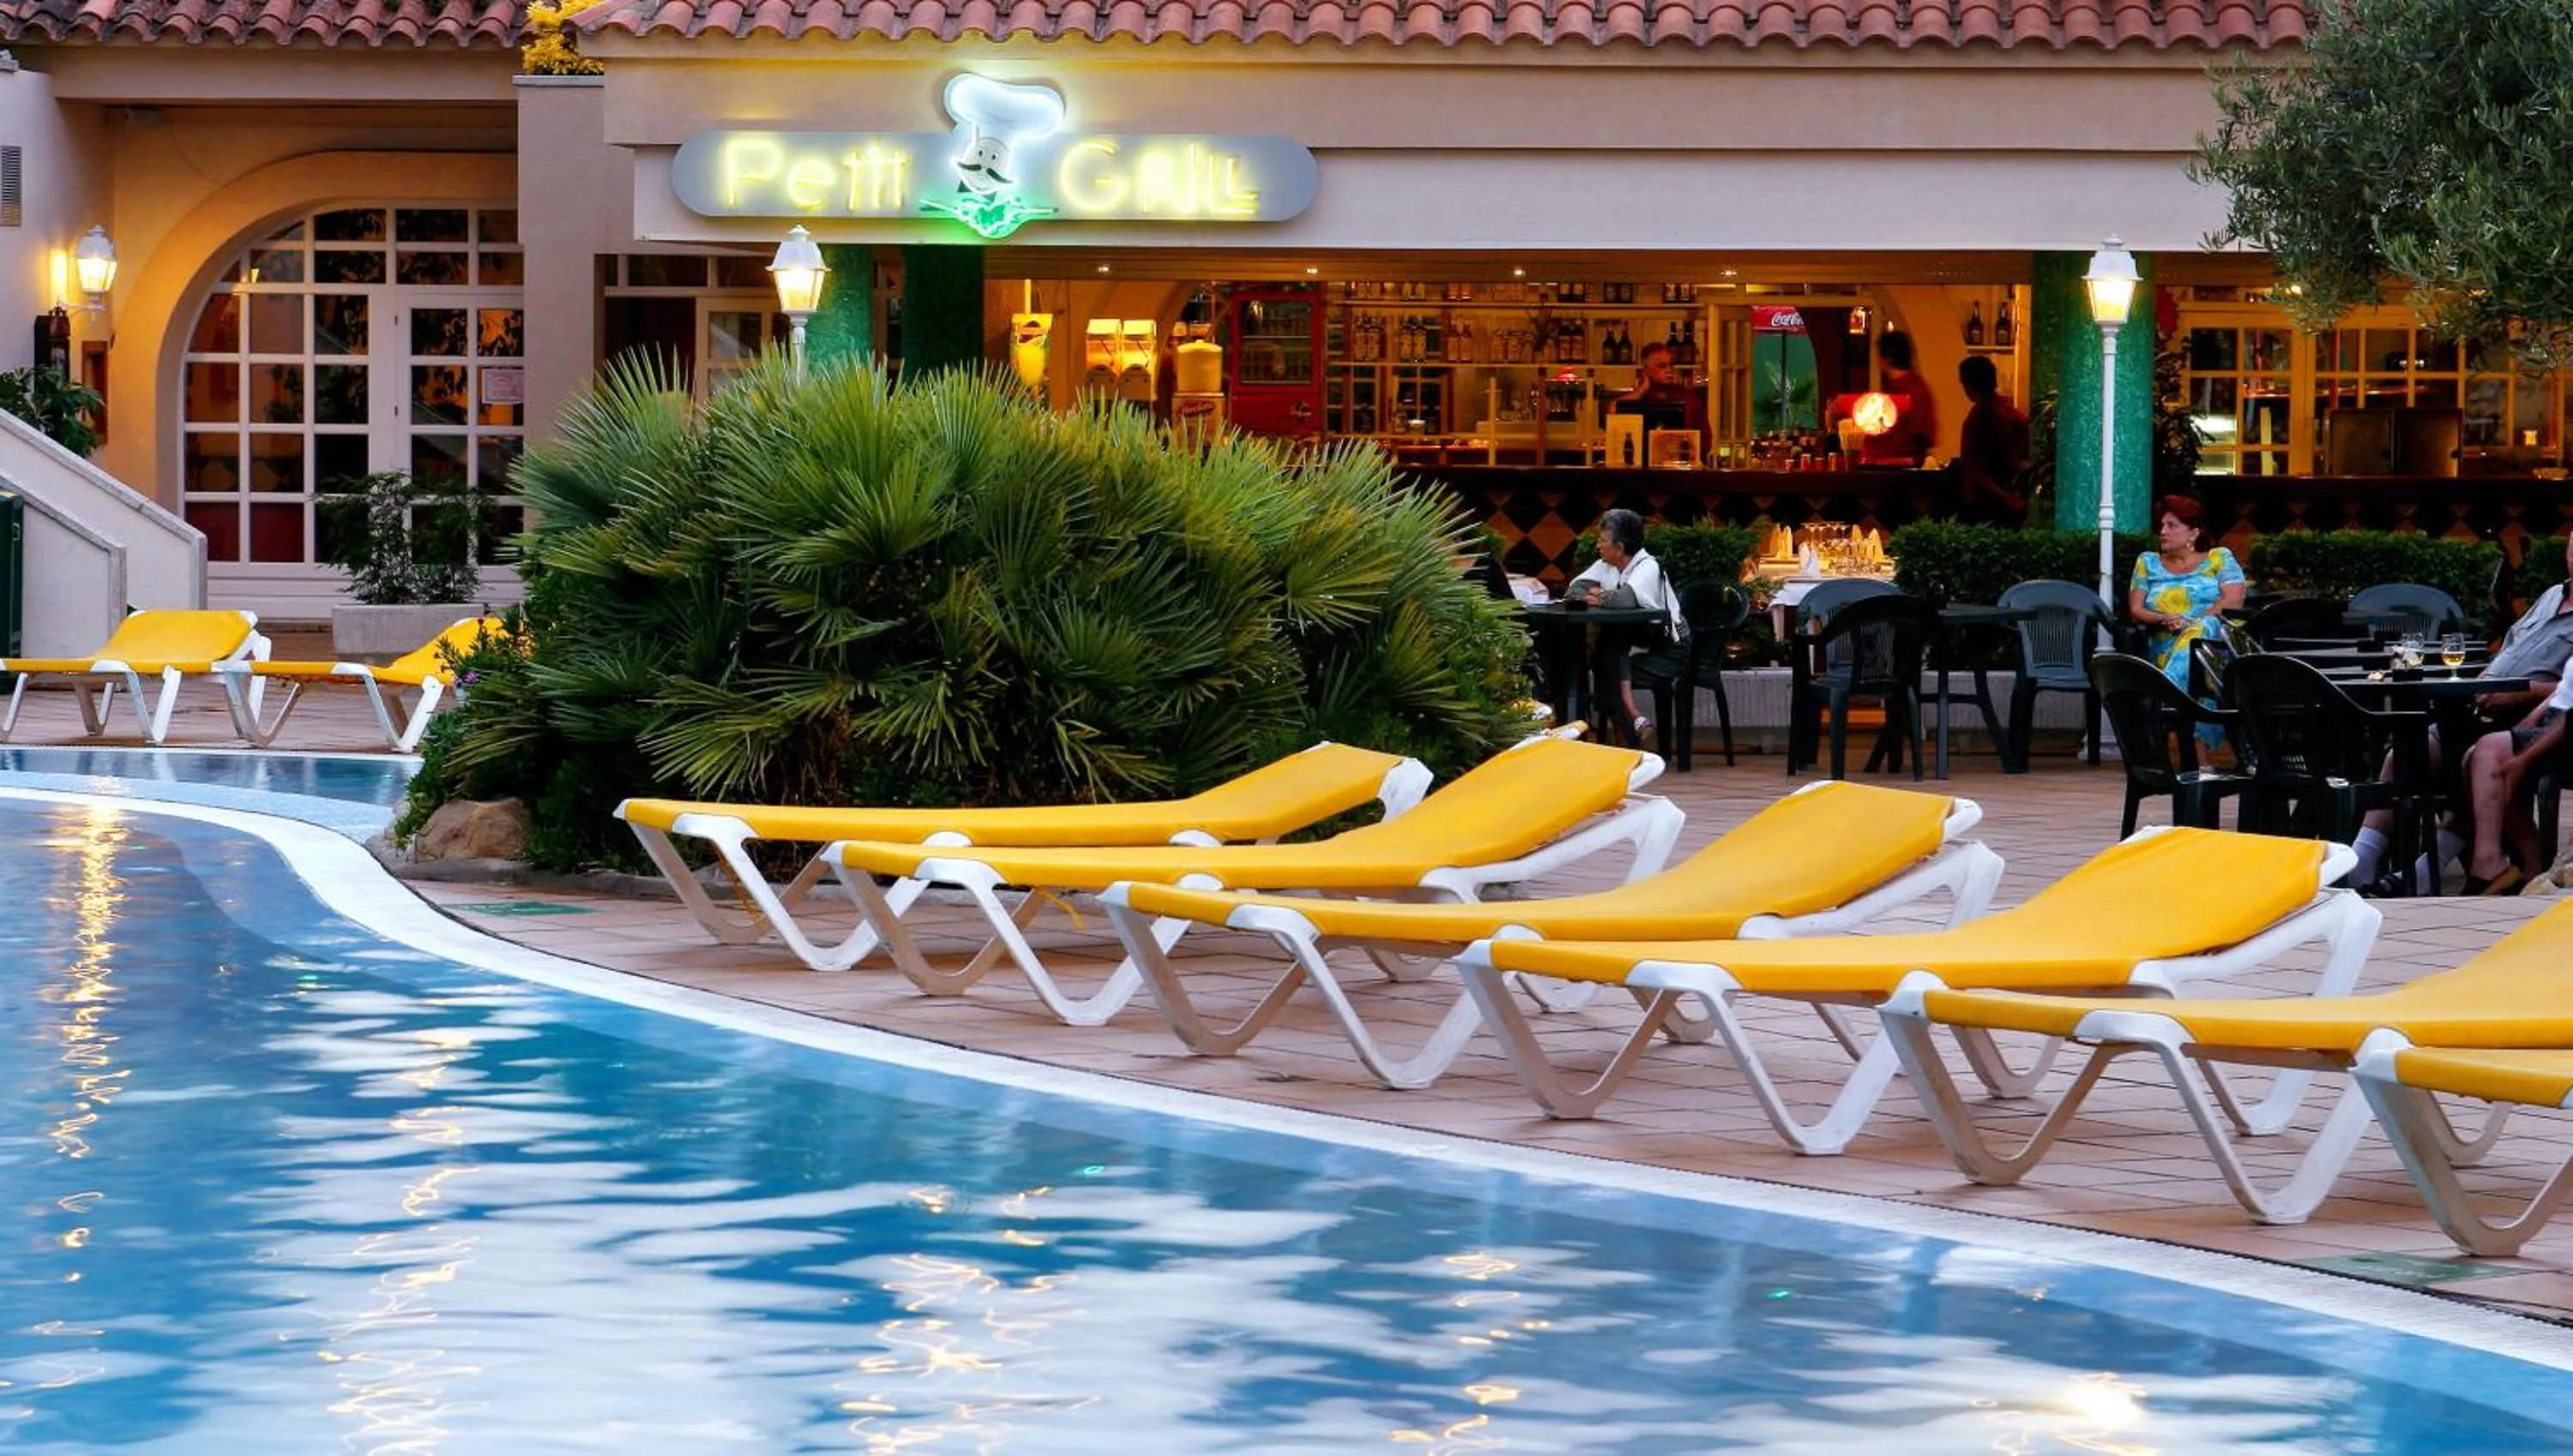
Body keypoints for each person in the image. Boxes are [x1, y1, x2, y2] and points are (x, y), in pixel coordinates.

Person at [2349, 535, 2573, 890]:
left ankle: (2428, 874)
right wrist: (2487, 677)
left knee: (2469, 754)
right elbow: (2510, 646)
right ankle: (2361, 862)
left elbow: (2567, 689)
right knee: (2409, 750)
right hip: (2485, 706)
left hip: (2533, 716)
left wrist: (2518, 693)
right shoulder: (2550, 597)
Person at [2126, 496, 2246, 749]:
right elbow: (2136, 610)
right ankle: (2202, 761)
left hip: (2216, 643)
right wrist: (2165, 618)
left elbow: (2233, 601)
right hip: (2166, 648)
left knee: (2204, 632)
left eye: (2171, 525)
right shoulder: (2147, 562)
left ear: (2193, 533)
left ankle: (2167, 694)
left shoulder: (2219, 558)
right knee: (2201, 663)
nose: (2163, 531)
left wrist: (2191, 622)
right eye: (2162, 525)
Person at [1566, 508, 1688, 743]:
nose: (1597, 546)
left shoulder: (1647, 566)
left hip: (1667, 651)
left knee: (1606, 659)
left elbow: (1625, 600)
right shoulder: (1606, 565)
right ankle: (1633, 727)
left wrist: (1599, 594)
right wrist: (1602, 594)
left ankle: (1628, 734)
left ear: (1620, 547)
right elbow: (1574, 590)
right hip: (1634, 645)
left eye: (1602, 541)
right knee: (1607, 651)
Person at [2452, 675, 2570, 894]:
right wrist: (2531, 719)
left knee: (2490, 752)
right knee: (2473, 757)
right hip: (2553, 723)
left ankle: (2489, 865)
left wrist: (2523, 759)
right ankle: (2526, 864)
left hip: (2564, 733)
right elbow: (2565, 691)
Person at [1953, 354, 2028, 525]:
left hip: (1987, 503)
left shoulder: (1979, 418)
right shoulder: (2012, 413)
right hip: (2014, 497)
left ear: (1969, 387)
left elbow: (1975, 469)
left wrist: (2008, 500)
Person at [1848, 330, 1937, 468]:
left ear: (1887, 358)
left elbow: (1921, 434)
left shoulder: (1908, 389)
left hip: (1899, 469)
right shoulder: (1913, 387)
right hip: (1893, 465)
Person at [1614, 341, 1708, 446]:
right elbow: (1612, 411)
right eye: (1662, 366)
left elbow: (1706, 440)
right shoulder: (1640, 397)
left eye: (1671, 365)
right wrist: (1641, 390)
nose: (1669, 370)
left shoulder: (1688, 398)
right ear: (1646, 369)